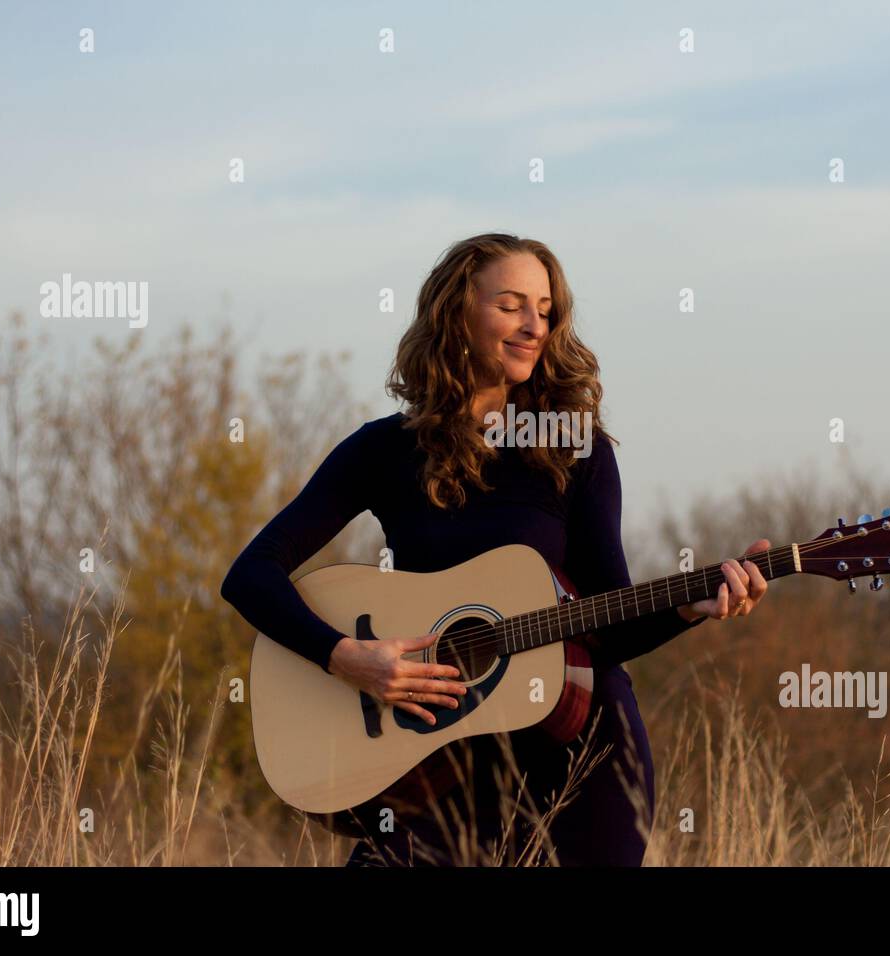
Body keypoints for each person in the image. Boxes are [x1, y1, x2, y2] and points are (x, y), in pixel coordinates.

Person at [220, 233, 769, 866]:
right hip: (434, 753)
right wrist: (346, 657)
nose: (534, 325)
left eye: (545, 308)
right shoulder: (383, 450)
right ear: (458, 313)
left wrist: (685, 609)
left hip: (579, 749)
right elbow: (251, 574)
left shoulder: (577, 448)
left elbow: (606, 625)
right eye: (511, 305)